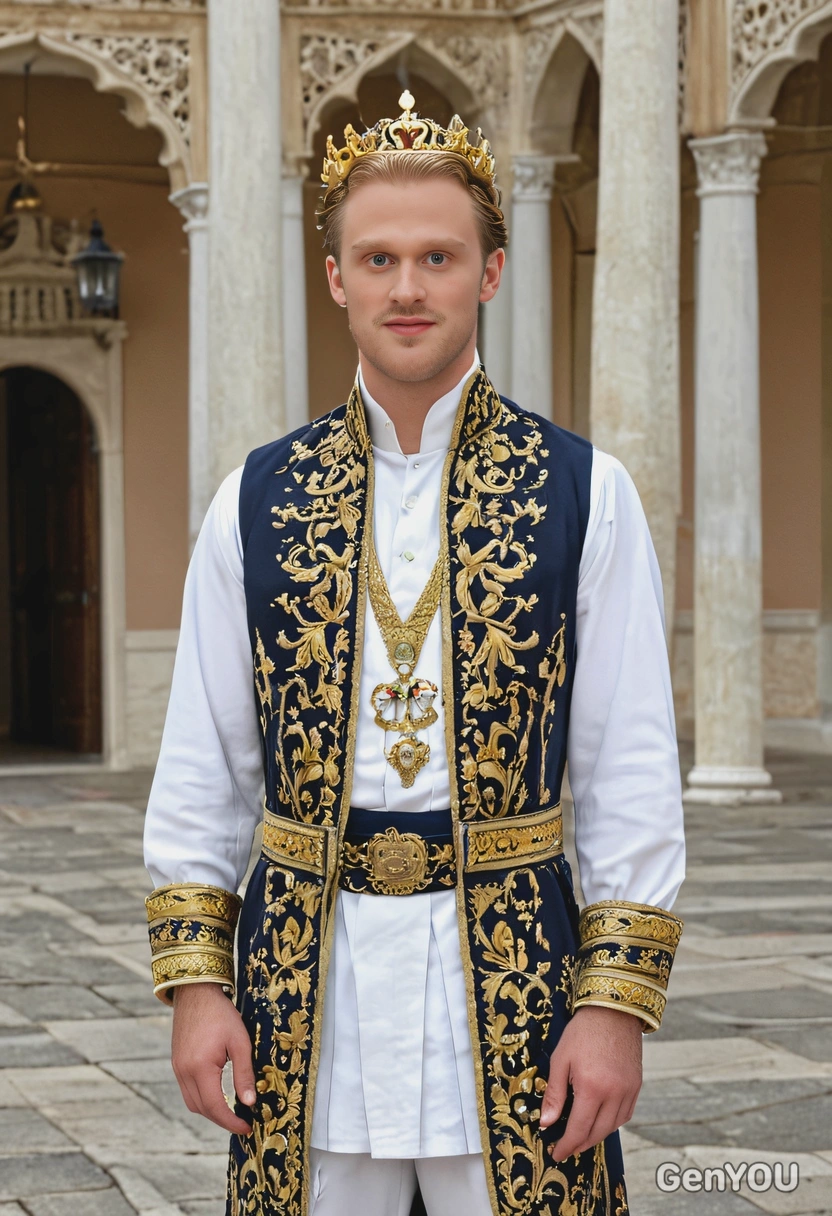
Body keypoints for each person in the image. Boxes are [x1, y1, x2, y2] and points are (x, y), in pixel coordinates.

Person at [143, 92, 686, 1216]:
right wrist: (199, 989)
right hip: (308, 990)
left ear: (489, 272)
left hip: (518, 985)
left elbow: (630, 764)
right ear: (335, 277)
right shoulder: (257, 496)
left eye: (437, 256)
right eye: (376, 258)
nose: (405, 288)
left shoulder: (582, 490)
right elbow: (205, 763)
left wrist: (614, 1005)